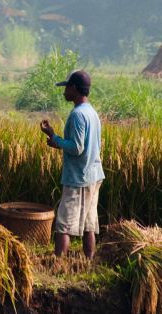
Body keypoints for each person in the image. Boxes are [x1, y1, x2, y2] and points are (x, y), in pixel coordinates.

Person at [40, 70, 105, 259]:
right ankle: (89, 261)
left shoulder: (77, 114)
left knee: (64, 223)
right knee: (88, 224)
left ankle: (58, 262)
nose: (64, 92)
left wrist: (56, 140)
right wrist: (54, 136)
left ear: (74, 88)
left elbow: (77, 147)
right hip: (94, 174)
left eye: (66, 87)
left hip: (79, 177)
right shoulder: (92, 112)